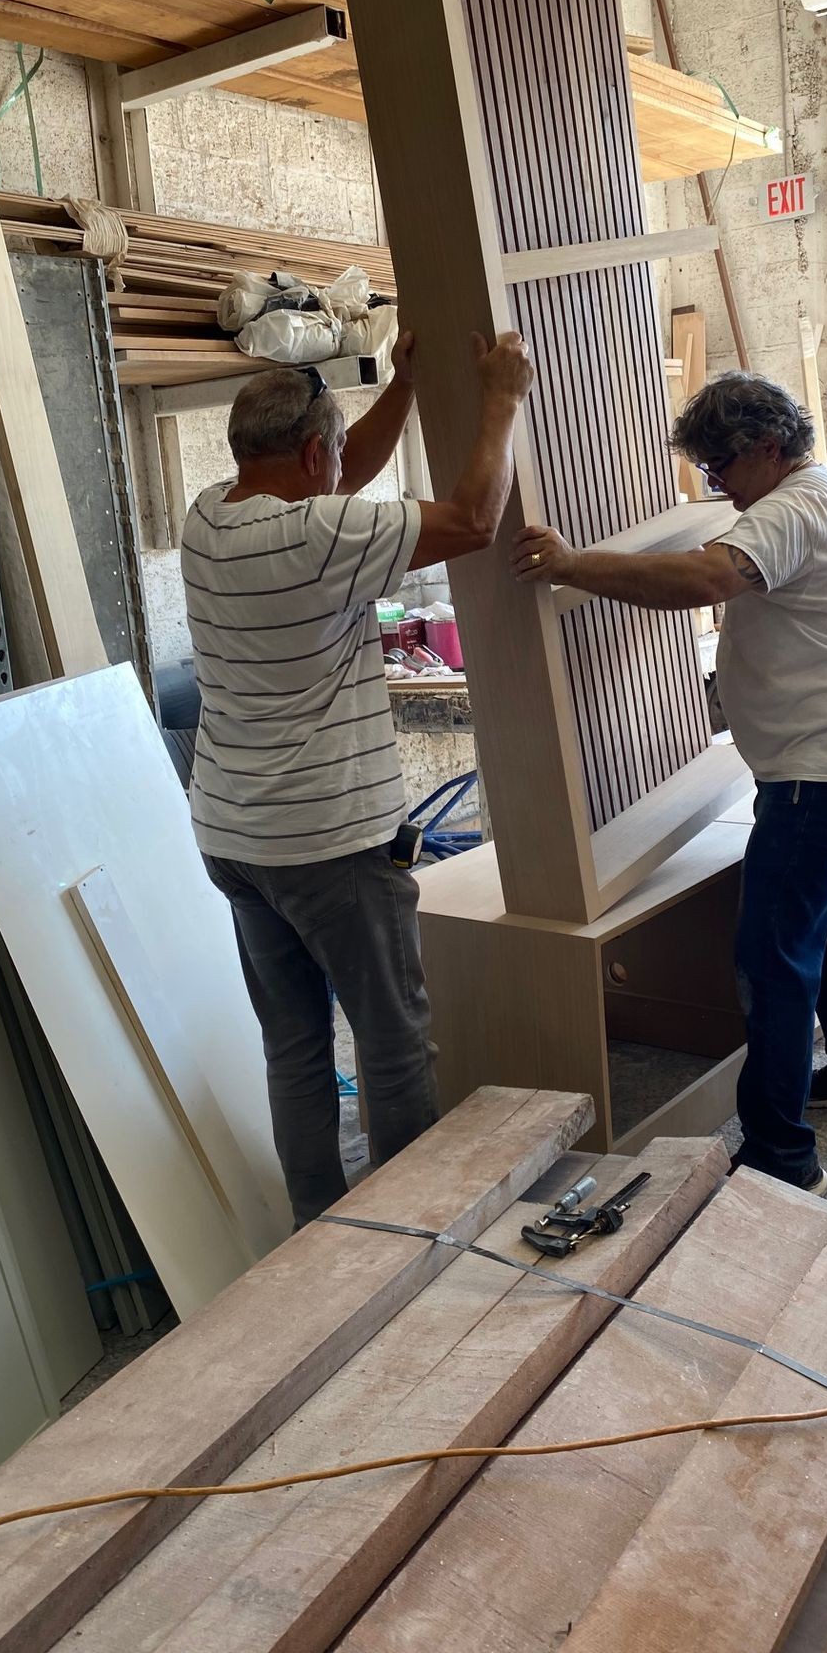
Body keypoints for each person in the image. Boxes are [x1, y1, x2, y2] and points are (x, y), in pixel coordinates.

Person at [511, 372, 827, 1195]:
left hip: (821, 771)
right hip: (825, 764)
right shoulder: (818, 492)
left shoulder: (796, 509)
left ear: (770, 447)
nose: (716, 485)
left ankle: (780, 1157)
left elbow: (702, 581)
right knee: (818, 924)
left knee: (772, 957)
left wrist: (574, 564)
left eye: (723, 465)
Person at [184, 327, 535, 1227]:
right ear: (312, 455)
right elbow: (470, 519)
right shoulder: (316, 535)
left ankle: (318, 1234)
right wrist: (500, 400)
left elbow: (341, 475)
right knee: (391, 1045)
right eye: (332, 452)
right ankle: (406, 1239)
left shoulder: (210, 515)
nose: (342, 466)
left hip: (235, 838)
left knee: (295, 1048)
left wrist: (405, 388)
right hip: (330, 843)